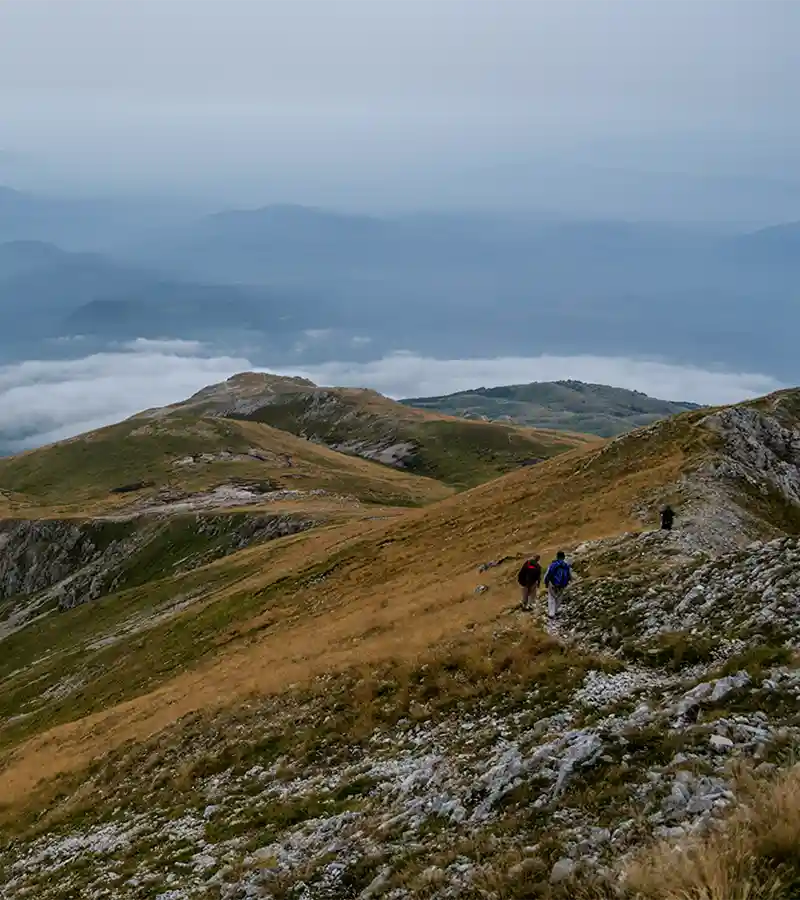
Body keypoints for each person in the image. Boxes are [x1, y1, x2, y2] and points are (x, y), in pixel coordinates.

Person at [544, 551, 571, 619]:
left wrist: (546, 583)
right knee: (559, 598)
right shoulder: (566, 565)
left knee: (551, 598)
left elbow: (548, 574)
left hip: (552, 584)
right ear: (564, 557)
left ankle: (551, 613)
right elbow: (569, 575)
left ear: (557, 556)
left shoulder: (553, 564)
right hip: (562, 585)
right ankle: (556, 610)